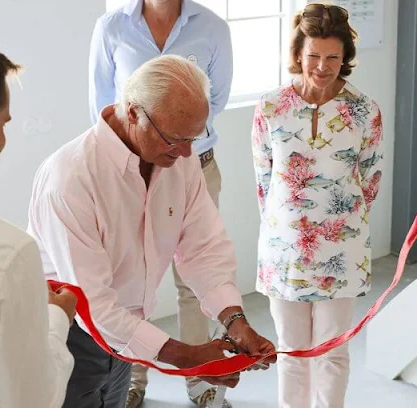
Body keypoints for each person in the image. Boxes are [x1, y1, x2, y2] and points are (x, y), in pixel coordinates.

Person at [27, 55, 275, 408]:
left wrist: (236, 322)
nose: (188, 152)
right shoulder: (70, 179)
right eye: (175, 138)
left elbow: (203, 249)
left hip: (128, 332)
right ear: (132, 113)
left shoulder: (180, 157)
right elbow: (92, 304)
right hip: (67, 337)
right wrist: (185, 356)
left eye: (195, 136)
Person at [88, 2, 233, 405]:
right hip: (129, 173)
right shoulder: (111, 27)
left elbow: (212, 101)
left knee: (193, 281)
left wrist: (173, 135)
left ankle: (201, 382)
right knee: (128, 281)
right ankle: (133, 381)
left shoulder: (213, 28)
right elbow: (101, 101)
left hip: (194, 165)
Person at [251, 4, 383, 407]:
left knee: (333, 350)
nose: (322, 66)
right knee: (290, 350)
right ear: (297, 55)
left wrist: (338, 221)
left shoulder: (364, 110)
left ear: (345, 59)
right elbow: (263, 180)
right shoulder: (270, 107)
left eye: (332, 57)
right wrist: (284, 228)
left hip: (342, 250)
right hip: (283, 248)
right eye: (313, 55)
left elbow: (371, 180)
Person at [0, 42, 78, 408]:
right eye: (3, 123)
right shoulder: (8, 258)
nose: (3, 139)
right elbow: (32, 400)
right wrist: (56, 316)